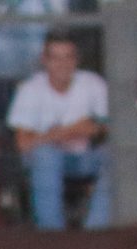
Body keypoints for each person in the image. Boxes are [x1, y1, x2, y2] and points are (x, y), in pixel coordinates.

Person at [9, 32, 111, 231]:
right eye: (55, 58)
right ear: (44, 60)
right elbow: (22, 143)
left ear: (77, 60)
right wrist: (70, 131)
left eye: (68, 57)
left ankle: (95, 232)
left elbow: (112, 126)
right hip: (45, 161)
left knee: (117, 157)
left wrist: (95, 128)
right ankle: (52, 235)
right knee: (45, 155)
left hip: (85, 157)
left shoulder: (93, 83)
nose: (62, 64)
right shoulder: (31, 89)